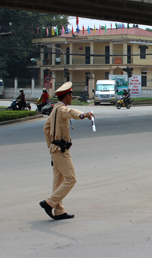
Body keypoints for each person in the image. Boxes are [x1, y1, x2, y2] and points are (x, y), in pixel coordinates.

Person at [40, 82, 95, 220]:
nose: (72, 97)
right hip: (61, 150)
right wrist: (84, 115)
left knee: (58, 181)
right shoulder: (62, 110)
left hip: (55, 149)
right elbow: (71, 112)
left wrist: (50, 147)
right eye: (71, 95)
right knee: (71, 179)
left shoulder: (54, 110)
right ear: (67, 96)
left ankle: (59, 211)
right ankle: (49, 203)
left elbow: (46, 129)